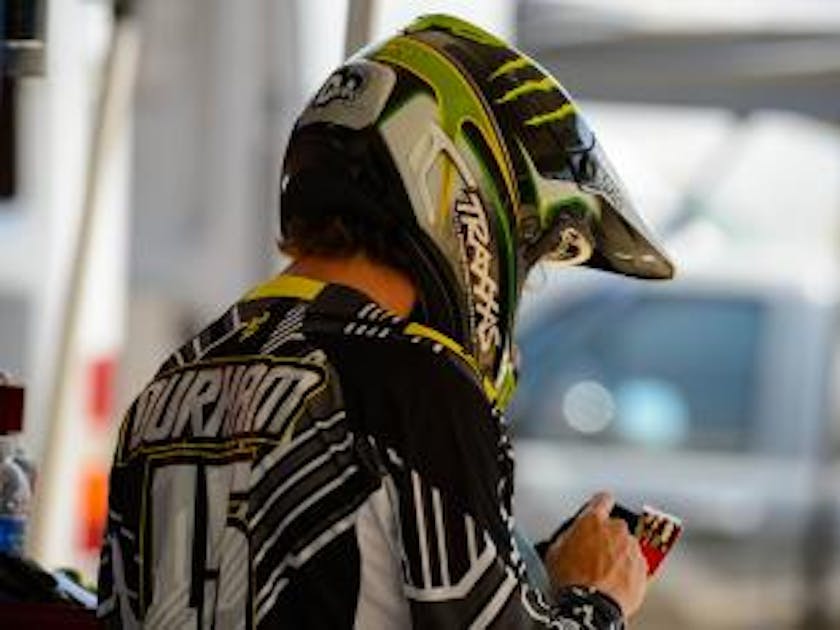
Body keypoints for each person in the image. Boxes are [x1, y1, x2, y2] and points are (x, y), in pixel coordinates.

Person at [97, 14, 674, 629]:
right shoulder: (415, 388)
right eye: (530, 264)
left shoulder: (171, 382)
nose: (521, 287)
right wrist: (596, 598)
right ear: (469, 198)